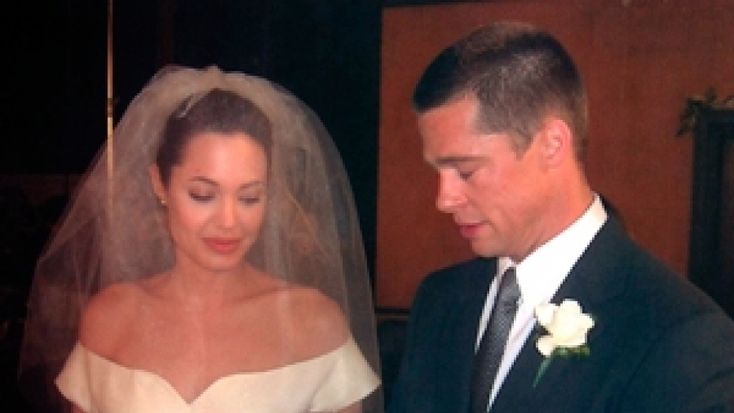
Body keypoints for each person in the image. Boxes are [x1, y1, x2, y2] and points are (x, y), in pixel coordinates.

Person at [388, 21, 734, 412]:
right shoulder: (440, 300)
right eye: (438, 171)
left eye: (465, 171)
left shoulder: (681, 337)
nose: (444, 199)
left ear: (552, 145)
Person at [20, 66, 382, 413]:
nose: (228, 221)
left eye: (249, 197)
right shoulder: (109, 318)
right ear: (160, 184)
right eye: (203, 195)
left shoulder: (313, 323)